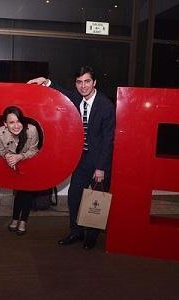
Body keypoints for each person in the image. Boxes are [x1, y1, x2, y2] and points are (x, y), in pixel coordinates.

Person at [27, 66, 115, 250]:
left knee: (96, 199)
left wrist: (101, 168)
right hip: (81, 159)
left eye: (87, 81)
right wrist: (46, 81)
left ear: (94, 82)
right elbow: (61, 92)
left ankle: (92, 236)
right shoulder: (76, 98)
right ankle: (76, 232)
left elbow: (109, 140)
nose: (83, 86)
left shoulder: (105, 105)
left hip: (98, 161)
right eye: (79, 82)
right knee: (74, 197)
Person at [0, 106, 40, 235]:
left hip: (28, 161)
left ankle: (22, 220)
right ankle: (16, 219)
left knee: (26, 190)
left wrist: (20, 156)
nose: (16, 126)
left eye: (18, 121)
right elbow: (1, 152)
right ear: (5, 124)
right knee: (19, 190)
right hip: (10, 164)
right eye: (11, 122)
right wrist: (7, 156)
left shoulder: (31, 130)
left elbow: (34, 150)